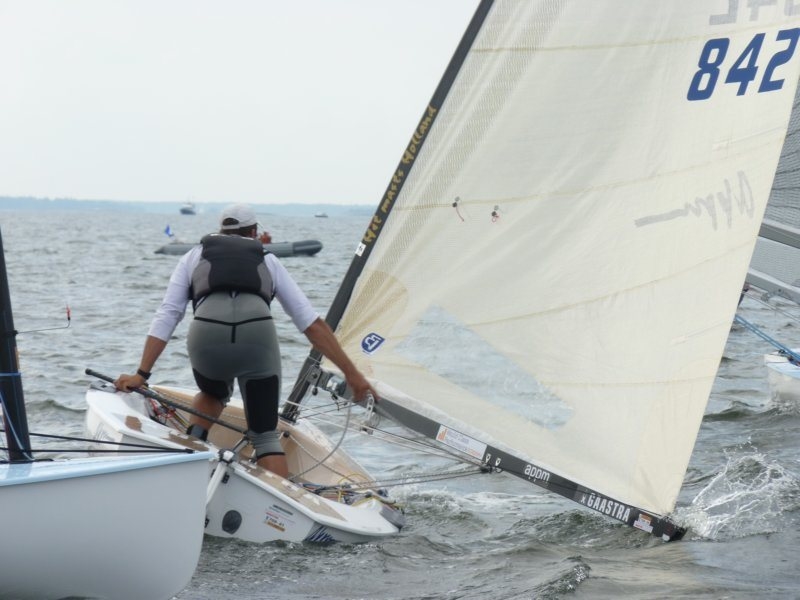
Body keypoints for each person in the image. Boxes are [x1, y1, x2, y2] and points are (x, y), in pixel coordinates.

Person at [115, 203, 376, 478]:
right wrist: (353, 374)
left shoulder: (193, 256)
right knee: (265, 435)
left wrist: (141, 374)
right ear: (254, 232)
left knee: (212, 393)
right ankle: (277, 497)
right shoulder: (268, 259)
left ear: (220, 230)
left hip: (207, 336)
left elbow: (168, 314)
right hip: (257, 338)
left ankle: (190, 461)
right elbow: (311, 324)